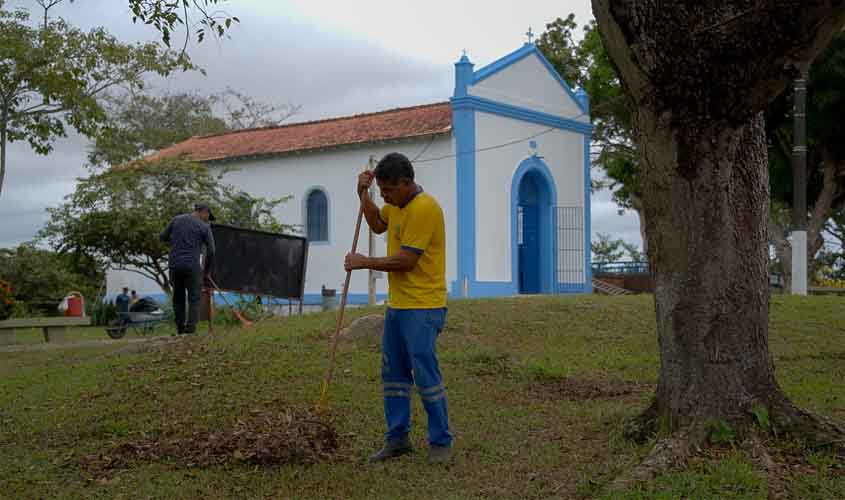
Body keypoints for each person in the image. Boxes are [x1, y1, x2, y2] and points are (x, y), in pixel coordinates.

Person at [344, 152, 452, 464]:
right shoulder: (398, 205)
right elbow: (378, 223)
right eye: (381, 192)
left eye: (388, 191)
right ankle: (397, 438)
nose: (385, 197)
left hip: (424, 306)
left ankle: (441, 441)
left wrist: (365, 262)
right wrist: (363, 196)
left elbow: (406, 261)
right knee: (393, 373)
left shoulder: (424, 209)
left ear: (406, 183)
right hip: (399, 305)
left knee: (424, 372)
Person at [160, 203, 216, 335]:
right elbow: (212, 251)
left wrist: (176, 242)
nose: (208, 219)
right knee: (194, 299)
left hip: (175, 266)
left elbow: (162, 237)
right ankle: (190, 331)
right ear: (204, 212)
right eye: (208, 216)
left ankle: (180, 330)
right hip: (192, 267)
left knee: (178, 298)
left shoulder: (176, 220)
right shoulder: (204, 227)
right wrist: (207, 270)